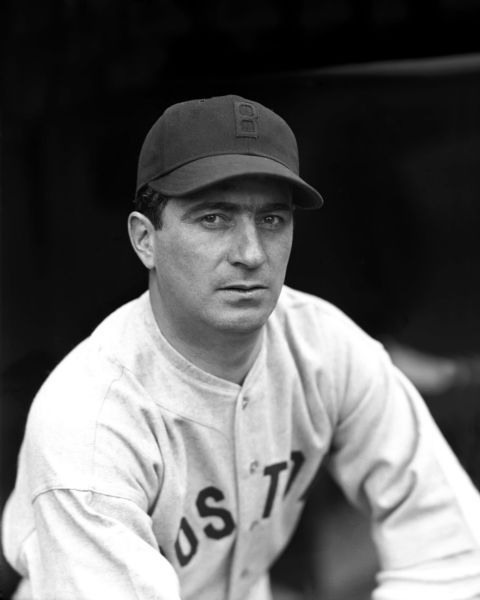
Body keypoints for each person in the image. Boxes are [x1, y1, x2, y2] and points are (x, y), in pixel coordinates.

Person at [2, 94, 480, 600]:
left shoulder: (320, 344)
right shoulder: (92, 422)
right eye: (214, 218)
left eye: (271, 219)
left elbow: (452, 547)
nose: (251, 254)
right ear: (146, 240)